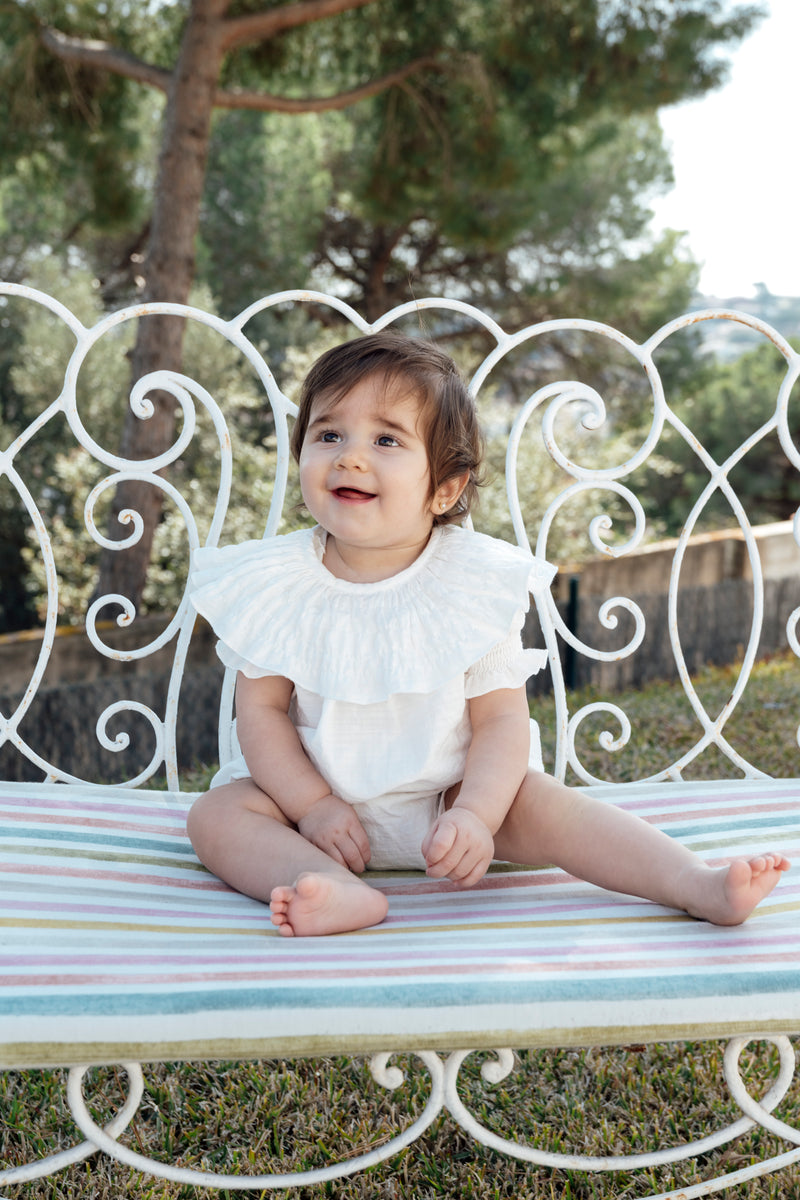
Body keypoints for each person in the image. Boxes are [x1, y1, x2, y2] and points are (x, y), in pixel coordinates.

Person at [187, 332, 790, 937]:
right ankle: (333, 888)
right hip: (307, 815)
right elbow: (260, 715)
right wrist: (312, 807)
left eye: (387, 439)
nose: (349, 456)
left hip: (448, 803)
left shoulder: (472, 582)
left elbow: (500, 722)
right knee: (217, 816)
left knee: (547, 803)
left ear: (445, 488)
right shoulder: (278, 582)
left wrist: (477, 814)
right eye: (328, 434)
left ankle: (694, 883)